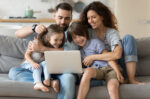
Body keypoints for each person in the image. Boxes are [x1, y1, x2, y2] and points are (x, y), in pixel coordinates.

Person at [9, 3, 78, 99]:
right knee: (13, 72)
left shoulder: (73, 34)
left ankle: (48, 80)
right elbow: (17, 34)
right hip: (42, 70)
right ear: (54, 16)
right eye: (60, 17)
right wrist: (34, 28)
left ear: (71, 18)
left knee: (69, 78)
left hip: (63, 72)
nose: (63, 21)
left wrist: (42, 49)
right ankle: (50, 81)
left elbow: (69, 52)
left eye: (67, 18)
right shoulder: (46, 32)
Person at [79, 1, 145, 85]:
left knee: (128, 38)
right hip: (98, 69)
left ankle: (131, 79)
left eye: (93, 17)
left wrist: (92, 57)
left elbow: (117, 55)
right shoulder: (87, 33)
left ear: (102, 17)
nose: (90, 21)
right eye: (88, 18)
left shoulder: (112, 32)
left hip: (117, 67)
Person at [68, 21, 124, 99]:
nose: (78, 39)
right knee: (87, 71)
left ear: (85, 33)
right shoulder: (79, 52)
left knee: (112, 87)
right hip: (97, 71)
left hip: (109, 69)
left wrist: (118, 72)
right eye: (75, 37)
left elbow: (108, 58)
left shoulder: (95, 42)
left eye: (80, 35)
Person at [22, 24, 64, 92]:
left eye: (61, 40)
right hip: (29, 63)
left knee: (46, 63)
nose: (59, 42)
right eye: (56, 40)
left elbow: (63, 50)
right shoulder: (36, 42)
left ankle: (47, 80)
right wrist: (32, 63)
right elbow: (27, 55)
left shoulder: (55, 47)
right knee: (37, 67)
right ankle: (38, 83)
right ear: (47, 38)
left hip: (41, 66)